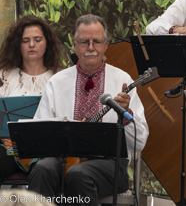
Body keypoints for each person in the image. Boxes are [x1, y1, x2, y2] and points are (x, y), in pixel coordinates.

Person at [28, 14, 149, 206]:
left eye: (97, 41)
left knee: (78, 173)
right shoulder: (57, 82)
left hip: (110, 165)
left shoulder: (122, 80)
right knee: (42, 168)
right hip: (64, 160)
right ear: (74, 45)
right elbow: (39, 135)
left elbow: (139, 142)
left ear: (106, 44)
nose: (91, 47)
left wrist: (126, 116)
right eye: (84, 41)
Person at [0, 15, 64, 184]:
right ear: (17, 44)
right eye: (25, 40)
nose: (32, 45)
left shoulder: (61, 77)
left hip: (48, 151)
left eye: (37, 39)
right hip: (8, 149)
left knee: (45, 171)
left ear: (47, 43)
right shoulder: (3, 76)